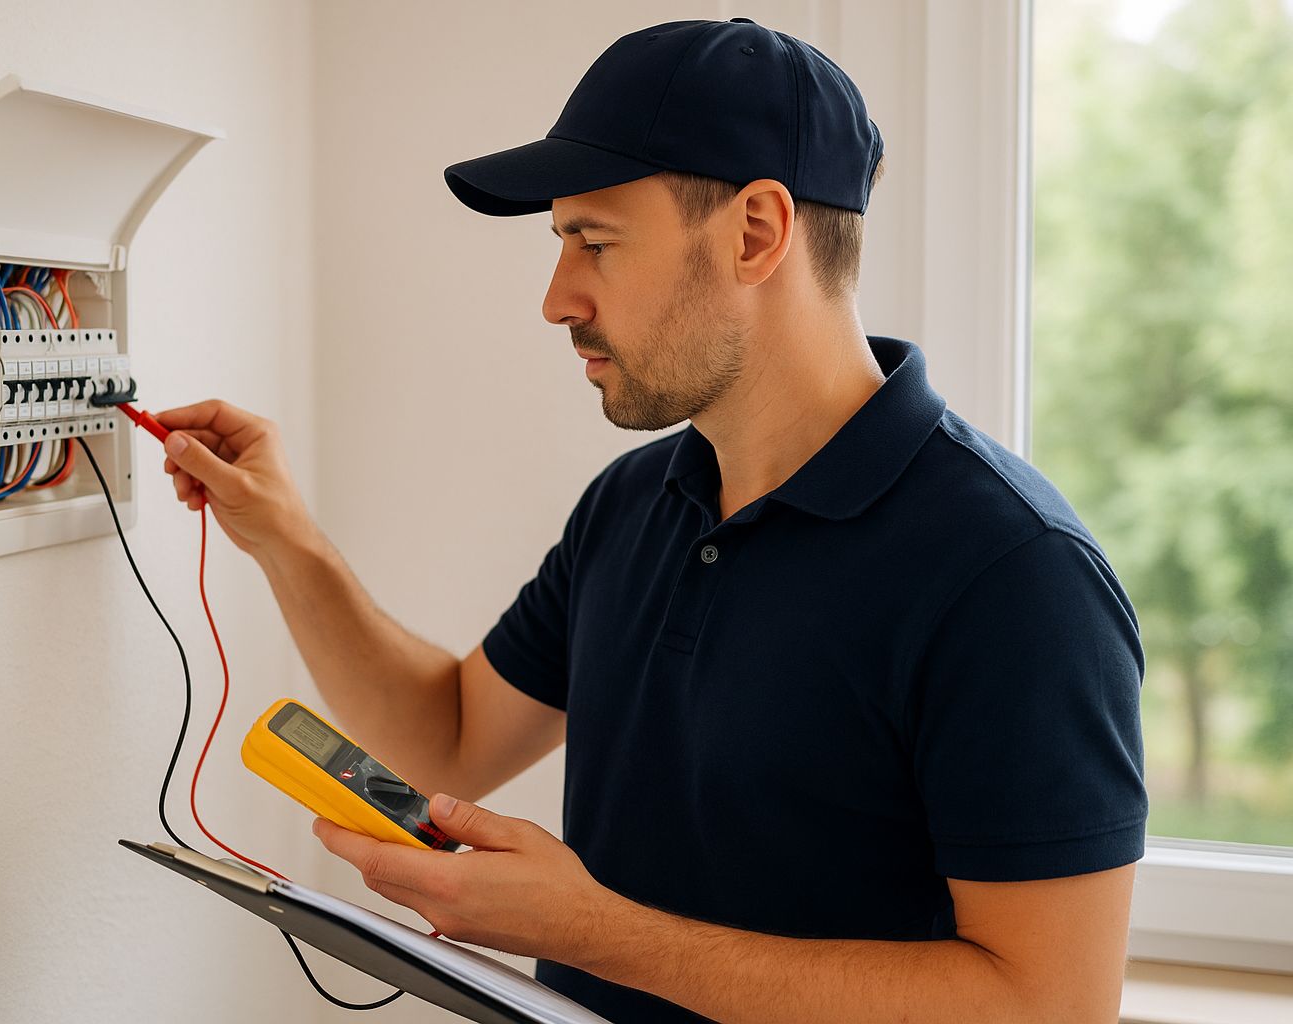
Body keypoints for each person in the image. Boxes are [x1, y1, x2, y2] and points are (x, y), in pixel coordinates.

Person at [156, 17, 1148, 1024]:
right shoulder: (632, 504)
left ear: (756, 233)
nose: (556, 300)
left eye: (595, 242)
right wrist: (284, 537)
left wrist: (593, 931)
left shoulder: (1013, 572)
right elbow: (448, 741)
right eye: (561, 244)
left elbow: (1052, 1006)